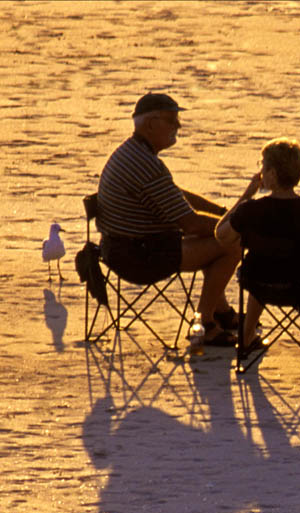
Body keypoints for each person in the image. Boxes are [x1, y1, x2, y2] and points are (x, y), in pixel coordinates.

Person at [96, 92, 241, 346]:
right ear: (151, 124)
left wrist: (221, 212)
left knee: (214, 235)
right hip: (139, 258)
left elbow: (178, 195)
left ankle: (222, 313)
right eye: (172, 121)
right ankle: (205, 323)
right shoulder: (145, 164)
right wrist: (237, 225)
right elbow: (191, 222)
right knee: (233, 243)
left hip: (117, 248)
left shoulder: (133, 153)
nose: (178, 127)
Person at [215, 137, 300, 357]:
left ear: (272, 174)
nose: (261, 172)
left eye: (263, 167)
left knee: (263, 265)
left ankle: (246, 337)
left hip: (262, 284)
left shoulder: (251, 210)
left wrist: (245, 196)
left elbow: (221, 236)